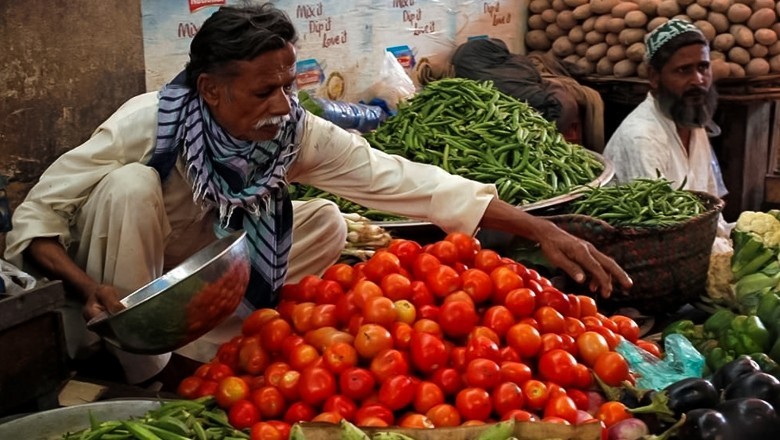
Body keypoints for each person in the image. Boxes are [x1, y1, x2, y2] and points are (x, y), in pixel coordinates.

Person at [4, 3, 631, 385]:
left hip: (200, 265)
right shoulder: (148, 124)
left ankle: (213, 341)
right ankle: (148, 368)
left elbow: (406, 181)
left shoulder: (290, 130)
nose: (284, 105)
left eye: (287, 85)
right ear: (211, 90)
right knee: (130, 188)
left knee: (327, 222)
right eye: (263, 92)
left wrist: (542, 229)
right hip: (120, 282)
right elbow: (35, 219)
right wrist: (91, 291)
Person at [603, 19, 728, 199]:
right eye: (684, 70)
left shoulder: (692, 121)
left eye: (703, 67)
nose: (698, 80)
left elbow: (711, 201)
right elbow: (658, 222)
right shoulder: (642, 137)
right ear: (654, 77)